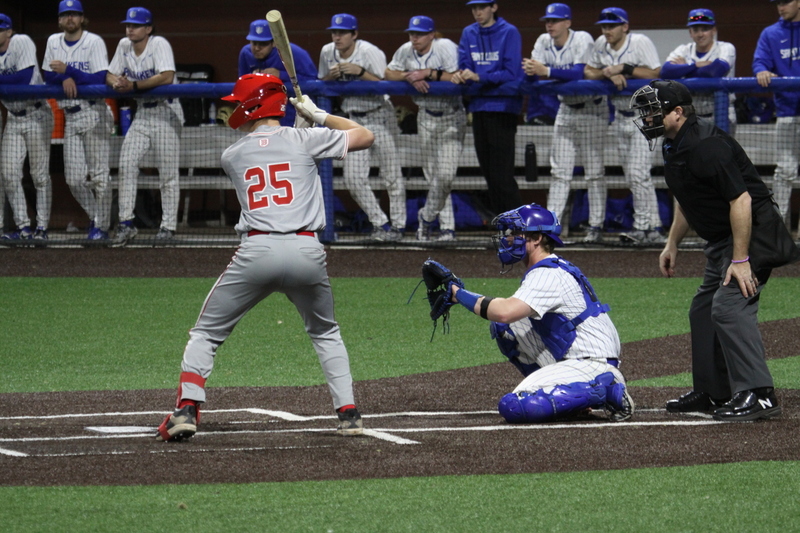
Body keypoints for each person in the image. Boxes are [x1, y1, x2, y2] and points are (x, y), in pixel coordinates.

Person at [156, 73, 372, 441]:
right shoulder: (304, 138)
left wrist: (301, 126)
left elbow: (270, 147)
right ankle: (348, 413)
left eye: (238, 101)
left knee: (207, 333)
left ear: (253, 105)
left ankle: (187, 408)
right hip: (307, 250)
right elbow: (364, 135)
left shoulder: (233, 154)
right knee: (325, 332)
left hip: (258, 252)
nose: (232, 108)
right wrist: (317, 116)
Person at [630, 79, 800, 420]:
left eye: (653, 110)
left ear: (677, 113)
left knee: (728, 308)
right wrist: (672, 243)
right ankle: (713, 391)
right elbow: (687, 197)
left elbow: (742, 200)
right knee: (702, 309)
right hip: (725, 237)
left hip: (754, 233)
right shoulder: (673, 143)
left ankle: (760, 394)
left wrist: (740, 260)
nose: (647, 117)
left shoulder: (705, 145)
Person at [440, 203, 632, 423]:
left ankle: (606, 389)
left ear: (537, 238)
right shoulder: (550, 268)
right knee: (508, 328)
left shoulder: (547, 274)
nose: (508, 238)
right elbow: (507, 318)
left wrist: (457, 294)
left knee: (514, 406)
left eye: (515, 232)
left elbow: (503, 311)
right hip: (578, 357)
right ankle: (575, 395)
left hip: (591, 362)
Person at [523, 3, 607, 244]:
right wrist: (531, 71)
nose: (550, 24)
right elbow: (531, 74)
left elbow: (580, 72)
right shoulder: (542, 40)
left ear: (568, 22)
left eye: (556, 20)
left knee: (594, 172)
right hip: (566, 109)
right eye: (548, 20)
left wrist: (545, 71)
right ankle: (550, 228)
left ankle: (596, 225)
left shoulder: (582, 39)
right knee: (559, 172)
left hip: (592, 109)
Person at [318, 13, 406, 242]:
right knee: (354, 179)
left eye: (342, 32)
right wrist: (331, 76)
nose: (336, 37)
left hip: (380, 115)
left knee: (392, 176)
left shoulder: (369, 51)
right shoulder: (327, 52)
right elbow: (320, 85)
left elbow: (384, 83)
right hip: (353, 120)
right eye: (334, 32)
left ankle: (399, 226)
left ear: (354, 34)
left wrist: (360, 72)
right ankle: (382, 224)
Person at [584, 7, 664, 245]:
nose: (606, 30)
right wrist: (607, 74)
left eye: (612, 25)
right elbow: (588, 71)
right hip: (620, 115)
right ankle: (654, 228)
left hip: (646, 115)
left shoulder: (639, 42)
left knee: (639, 173)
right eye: (604, 26)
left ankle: (641, 227)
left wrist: (625, 69)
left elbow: (655, 72)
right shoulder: (601, 43)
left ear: (625, 26)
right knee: (634, 176)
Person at [107, 7, 184, 244]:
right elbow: (109, 74)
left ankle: (168, 227)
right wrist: (116, 82)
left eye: (136, 25)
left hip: (166, 112)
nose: (130, 28)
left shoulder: (159, 43)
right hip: (142, 114)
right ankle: (126, 223)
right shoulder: (123, 45)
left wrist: (134, 86)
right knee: (127, 164)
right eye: (128, 24)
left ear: (148, 28)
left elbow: (167, 76)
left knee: (167, 174)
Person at [385, 15, 465, 242]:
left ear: (431, 34)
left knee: (446, 175)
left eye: (419, 34)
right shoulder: (405, 50)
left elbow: (457, 78)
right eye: (411, 33)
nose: (414, 38)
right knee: (433, 176)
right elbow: (388, 73)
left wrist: (428, 73)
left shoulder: (445, 47)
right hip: (426, 118)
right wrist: (408, 77)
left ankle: (427, 217)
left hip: (451, 116)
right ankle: (446, 229)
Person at [42, 0, 113, 241]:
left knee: (100, 175)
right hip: (70, 117)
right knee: (73, 179)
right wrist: (63, 78)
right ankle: (97, 218)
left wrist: (68, 71)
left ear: (82, 18)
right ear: (60, 20)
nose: (70, 19)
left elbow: (100, 77)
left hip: (94, 113)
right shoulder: (53, 41)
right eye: (65, 15)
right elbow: (47, 75)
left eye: (74, 14)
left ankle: (101, 228)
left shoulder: (93, 42)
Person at [452, 0, 523, 217]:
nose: (477, 12)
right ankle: (504, 225)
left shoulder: (509, 32)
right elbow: (465, 63)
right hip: (478, 108)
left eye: (482, 7)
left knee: (502, 175)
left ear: (494, 7)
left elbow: (511, 73)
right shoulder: (468, 32)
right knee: (489, 174)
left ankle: (521, 227)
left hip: (503, 109)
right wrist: (461, 74)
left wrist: (479, 77)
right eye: (474, 8)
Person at [0, 14, 54, 241]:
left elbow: (22, 79)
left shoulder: (21, 41)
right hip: (13, 117)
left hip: (36, 114)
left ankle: (42, 228)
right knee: (9, 174)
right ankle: (23, 227)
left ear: (8, 31)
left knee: (39, 176)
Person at [753, 0, 800, 233]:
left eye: (786, 2)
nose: (781, 7)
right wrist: (761, 69)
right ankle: (777, 230)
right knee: (785, 170)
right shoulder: (771, 33)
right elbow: (760, 61)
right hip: (787, 112)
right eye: (778, 3)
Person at [661, 9, 737, 131]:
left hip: (720, 115)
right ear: (690, 32)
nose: (700, 34)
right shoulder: (683, 49)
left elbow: (714, 72)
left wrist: (683, 70)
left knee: (718, 150)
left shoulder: (725, 48)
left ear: (714, 30)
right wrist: (695, 65)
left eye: (705, 29)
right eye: (695, 30)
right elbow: (665, 71)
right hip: (690, 116)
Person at [237, 19, 317, 128]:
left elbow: (314, 82)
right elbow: (242, 86)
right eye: (254, 43)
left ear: (274, 42)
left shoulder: (293, 53)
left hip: (293, 112)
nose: (256, 48)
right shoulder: (246, 53)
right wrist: (251, 79)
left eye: (263, 44)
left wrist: (281, 75)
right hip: (262, 117)